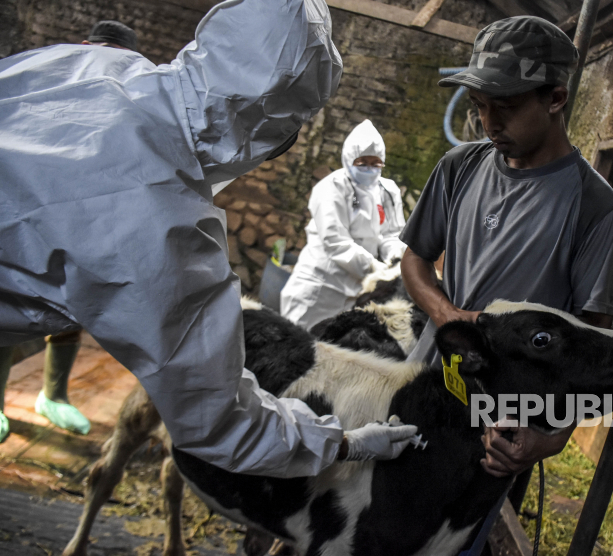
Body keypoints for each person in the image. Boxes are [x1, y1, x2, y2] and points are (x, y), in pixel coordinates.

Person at [0, 0, 416, 477]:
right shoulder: (166, 231)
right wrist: (345, 443)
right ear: (271, 127)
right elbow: (217, 419)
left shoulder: (96, 62)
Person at [399, 15, 613, 551]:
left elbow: (590, 343)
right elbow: (414, 262)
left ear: (555, 98)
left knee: (449, 541)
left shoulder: (597, 210)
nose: (486, 122)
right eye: (479, 106)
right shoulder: (459, 168)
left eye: (503, 107)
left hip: (502, 422)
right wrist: (446, 316)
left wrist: (548, 439)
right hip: (425, 381)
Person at [0, 20, 141, 443]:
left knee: (71, 300)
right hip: (25, 201)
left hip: (81, 211)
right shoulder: (53, 70)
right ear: (85, 47)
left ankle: (54, 395)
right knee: (8, 296)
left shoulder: (126, 89)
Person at [280, 119, 407, 329]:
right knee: (297, 344)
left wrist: (395, 259)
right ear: (349, 158)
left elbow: (391, 234)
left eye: (376, 163)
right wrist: (374, 267)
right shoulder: (332, 187)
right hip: (321, 286)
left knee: (334, 352)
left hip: (356, 290)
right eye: (362, 162)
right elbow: (335, 241)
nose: (370, 168)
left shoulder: (388, 191)